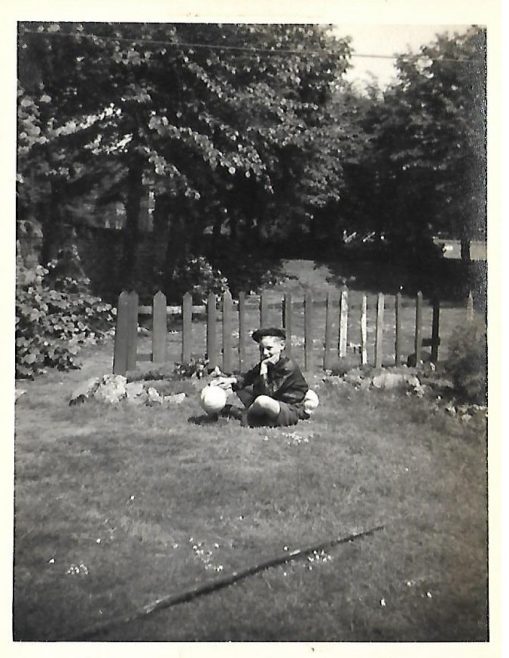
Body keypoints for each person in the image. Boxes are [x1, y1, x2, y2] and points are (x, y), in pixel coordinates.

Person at [212, 327, 317, 427]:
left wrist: (264, 368)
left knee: (262, 401)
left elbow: (268, 393)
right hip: (274, 400)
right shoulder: (269, 361)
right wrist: (230, 381)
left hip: (289, 408)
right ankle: (250, 413)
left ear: (282, 345)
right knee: (242, 387)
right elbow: (248, 377)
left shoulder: (287, 367)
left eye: (269, 348)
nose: (265, 353)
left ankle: (244, 415)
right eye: (262, 349)